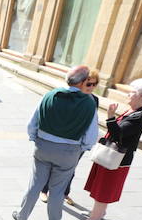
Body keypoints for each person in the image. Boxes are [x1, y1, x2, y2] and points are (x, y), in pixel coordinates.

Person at [13, 65, 99, 220]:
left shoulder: (50, 95)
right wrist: (82, 148)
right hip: (69, 151)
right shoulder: (89, 103)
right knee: (58, 190)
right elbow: (91, 134)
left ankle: (22, 216)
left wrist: (35, 138)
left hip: (43, 146)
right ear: (82, 82)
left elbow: (33, 122)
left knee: (35, 183)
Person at [79, 77, 142, 220]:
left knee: (104, 188)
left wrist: (110, 116)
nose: (129, 94)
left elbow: (118, 134)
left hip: (117, 158)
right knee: (100, 185)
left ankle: (94, 218)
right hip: (111, 154)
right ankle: (98, 213)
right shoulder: (134, 110)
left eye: (133, 92)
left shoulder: (139, 116)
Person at [40, 69, 101, 206]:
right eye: (88, 84)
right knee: (52, 166)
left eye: (94, 84)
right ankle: (44, 190)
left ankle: (65, 192)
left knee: (71, 169)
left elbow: (92, 122)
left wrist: (87, 143)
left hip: (80, 143)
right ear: (81, 83)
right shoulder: (69, 96)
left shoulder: (94, 100)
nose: (91, 87)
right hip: (64, 139)